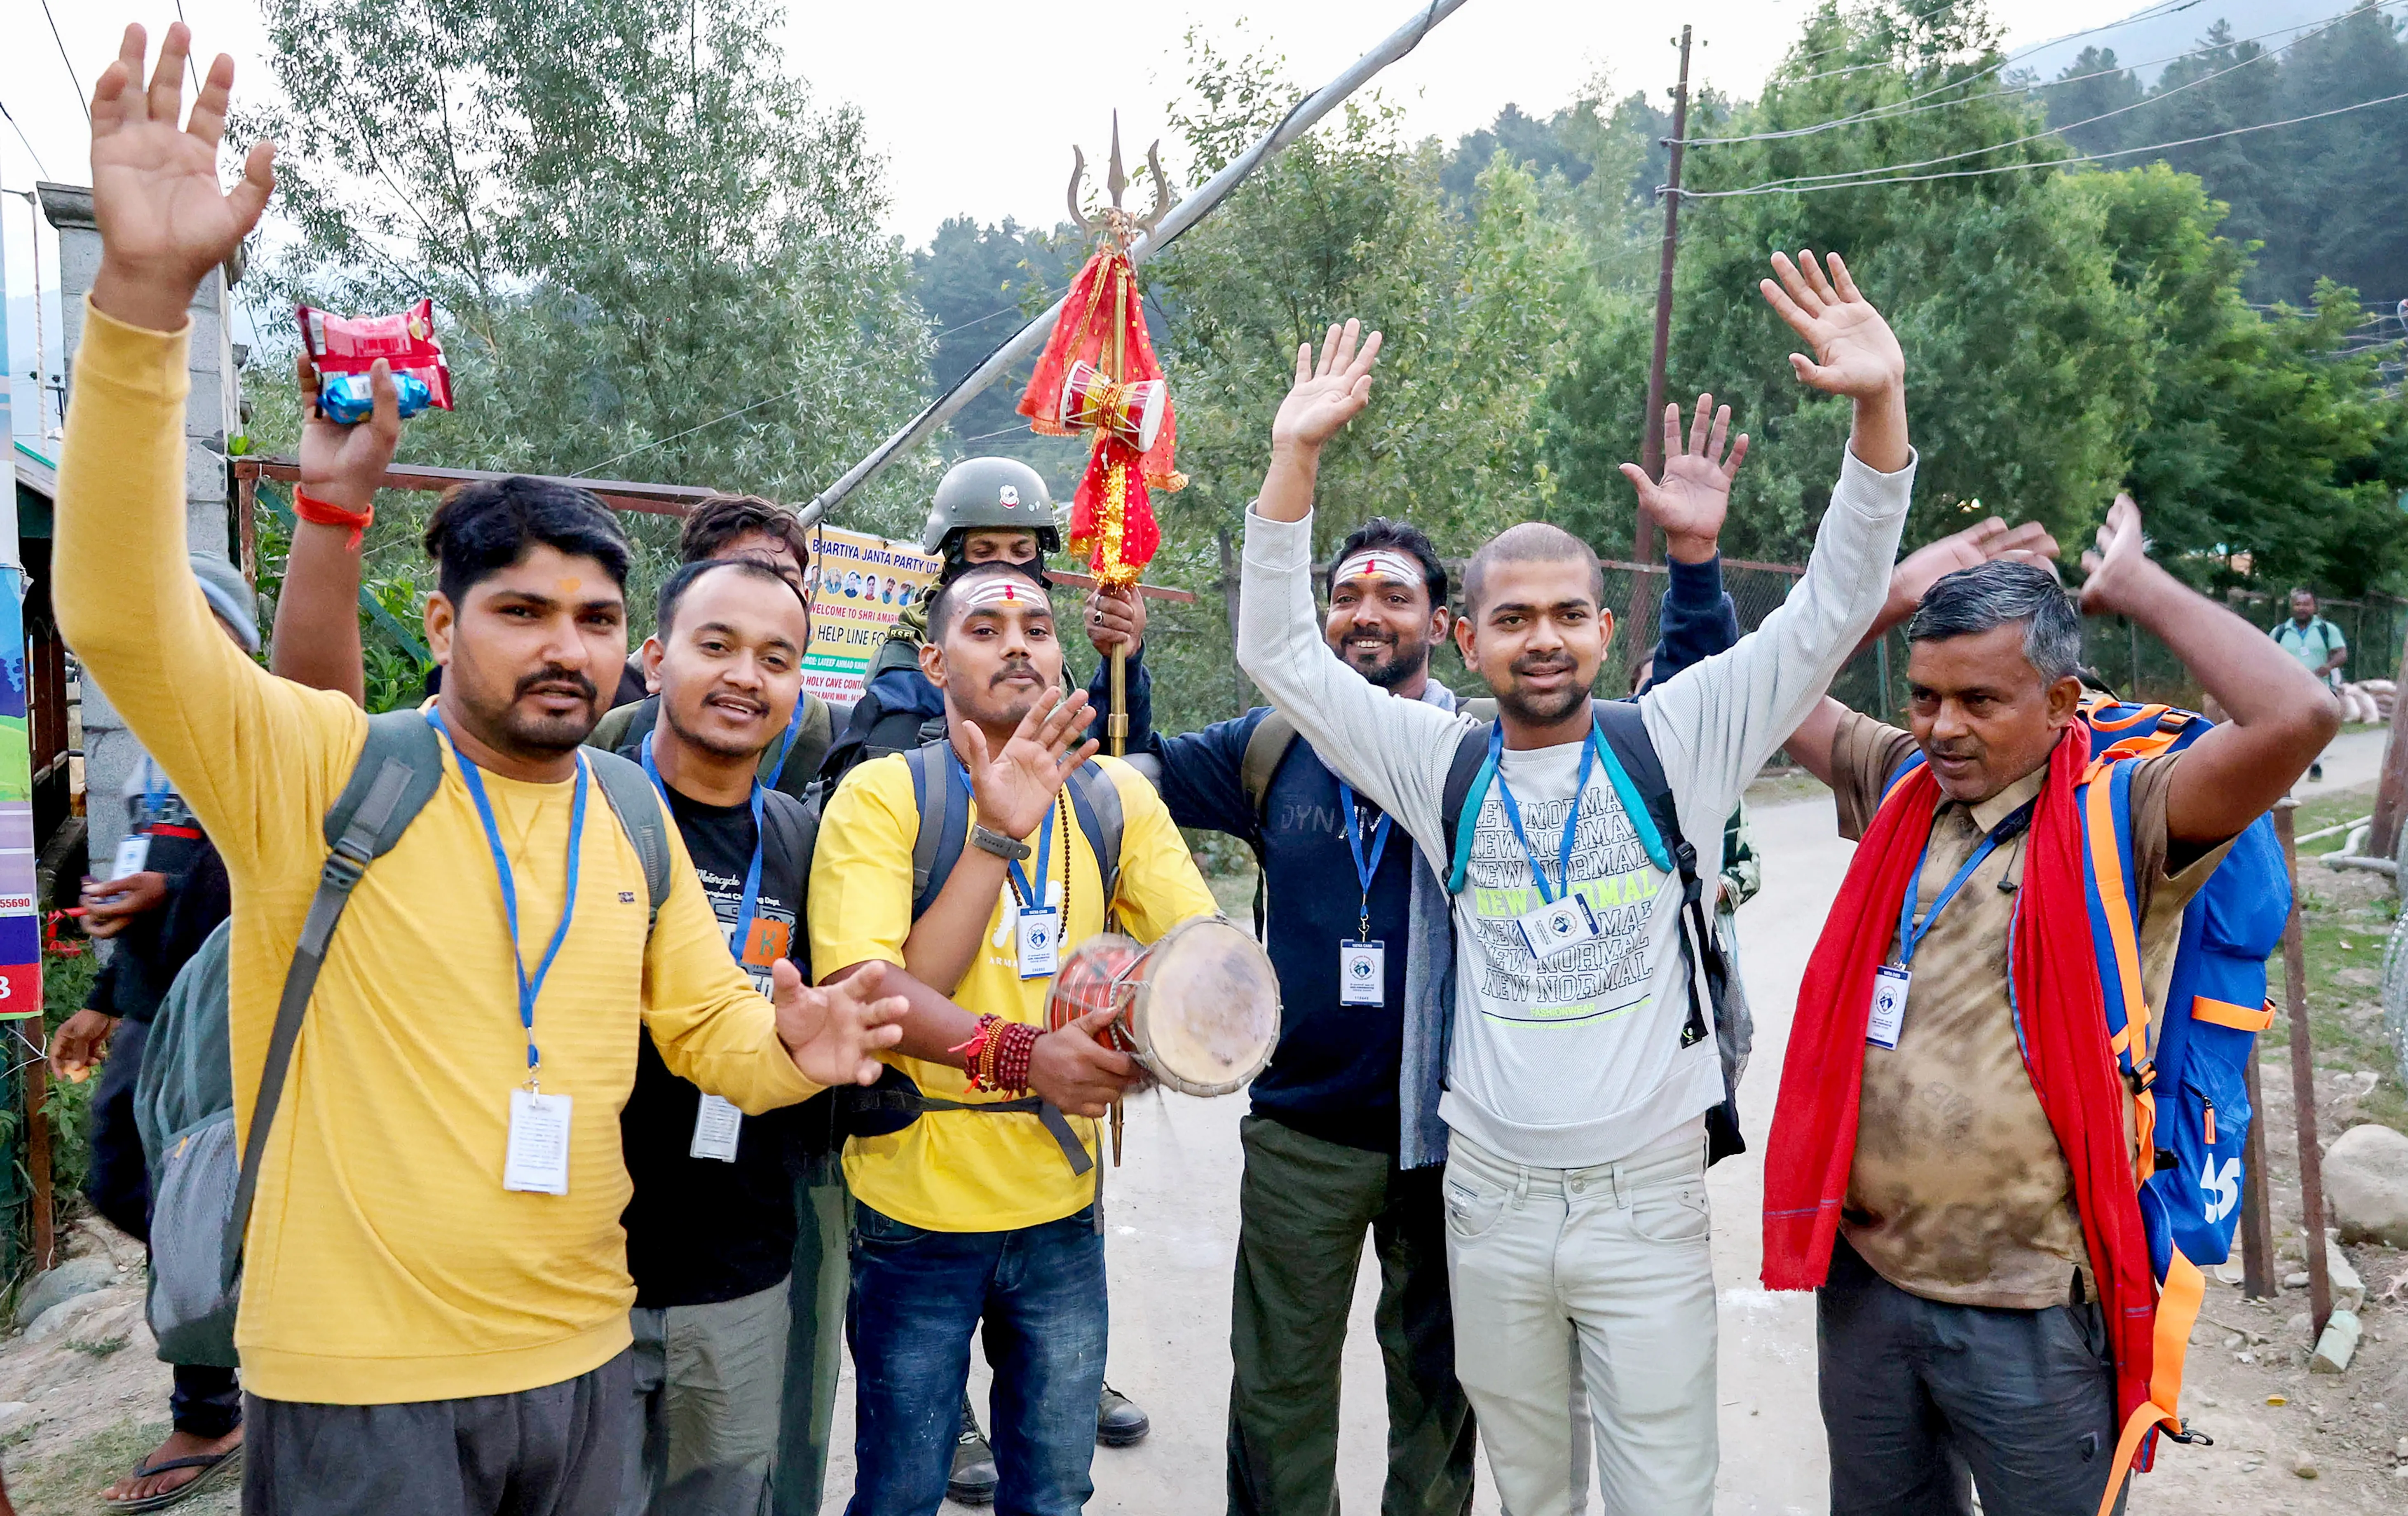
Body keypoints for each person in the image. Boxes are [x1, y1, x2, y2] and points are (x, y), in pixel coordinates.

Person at [52, 28, 903, 1511]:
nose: (561, 646)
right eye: (520, 611)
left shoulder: (629, 808)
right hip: (356, 1381)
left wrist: (803, 1045)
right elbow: (121, 611)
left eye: (591, 616)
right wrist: (139, 303)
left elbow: (711, 1027)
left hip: (576, 1360)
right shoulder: (320, 770)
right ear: (443, 621)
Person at [1236, 251, 1918, 1516]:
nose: (1541, 636)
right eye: (1513, 617)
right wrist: (1295, 461)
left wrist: (1878, 415)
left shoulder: (1682, 737)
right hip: (1486, 1198)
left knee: (1664, 1491)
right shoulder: (1432, 761)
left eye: (1567, 613)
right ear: (1467, 637)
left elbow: (1835, 602)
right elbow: (1275, 647)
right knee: (1532, 1488)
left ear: (1606, 628)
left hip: (1641, 1200)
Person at [1130, 518, 1738, 1516]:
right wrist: (1129, 662)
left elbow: (1666, 712)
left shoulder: (1475, 749)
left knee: (1440, 1393)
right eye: (1345, 596)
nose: (1364, 614)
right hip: (1302, 1131)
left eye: (1392, 596)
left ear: (1443, 624)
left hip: (1448, 1141)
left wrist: (1692, 570)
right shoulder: (1270, 742)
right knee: (1276, 1384)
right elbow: (1139, 776)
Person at [1767, 498, 2338, 1516]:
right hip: (1868, 1281)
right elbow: (1760, 690)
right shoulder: (1898, 781)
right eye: (1924, 696)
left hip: (2030, 1309)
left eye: (1978, 699)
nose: (1942, 727)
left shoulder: (2132, 814)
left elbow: (2299, 716)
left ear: (2061, 698)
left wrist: (2136, 586)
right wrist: (1886, 595)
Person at [811, 560, 1222, 1516]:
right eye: (986, 629)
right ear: (934, 661)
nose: (1017, 646)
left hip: (1060, 1203)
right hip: (913, 1204)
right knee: (903, 1486)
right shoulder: (883, 797)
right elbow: (868, 990)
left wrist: (1150, 1044)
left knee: (1053, 1488)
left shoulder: (1113, 795)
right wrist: (1028, 1054)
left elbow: (1191, 965)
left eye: (1037, 627)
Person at [610, 557, 822, 1515]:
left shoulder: (804, 839)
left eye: (775, 657)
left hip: (737, 1269)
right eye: (716, 645)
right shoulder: (581, 808)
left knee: (719, 1501)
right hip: (574, 1271)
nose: (745, 674)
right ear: (655, 659)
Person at [52, 555, 251, 1511]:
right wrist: (102, 995)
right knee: (122, 1181)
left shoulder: (257, 733)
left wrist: (172, 889)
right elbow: (140, 885)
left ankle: (209, 1405)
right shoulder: (154, 756)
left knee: (192, 1192)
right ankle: (231, 1349)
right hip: (157, 1007)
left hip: (232, 1013)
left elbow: (277, 873)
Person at [819, 457, 1147, 794]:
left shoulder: (1041, 651)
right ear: (953, 560)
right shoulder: (907, 671)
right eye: (984, 551)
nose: (1005, 567)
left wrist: (1122, 661)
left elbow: (1106, 762)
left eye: (1021, 552)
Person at [584, 493, 837, 801]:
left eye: (784, 582)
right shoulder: (605, 728)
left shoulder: (838, 740)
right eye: (739, 574)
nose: (764, 597)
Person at [2270, 587, 2346, 779]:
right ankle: (2287, 770)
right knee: (2289, 730)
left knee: (2317, 730)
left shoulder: (2327, 630)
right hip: (2289, 691)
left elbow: (2341, 653)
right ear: (2292, 607)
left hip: (2319, 690)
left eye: (2306, 604)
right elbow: (2267, 656)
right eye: (2298, 604)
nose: (2302, 608)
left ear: (2314, 607)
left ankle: (2316, 765)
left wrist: (2328, 667)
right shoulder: (2280, 632)